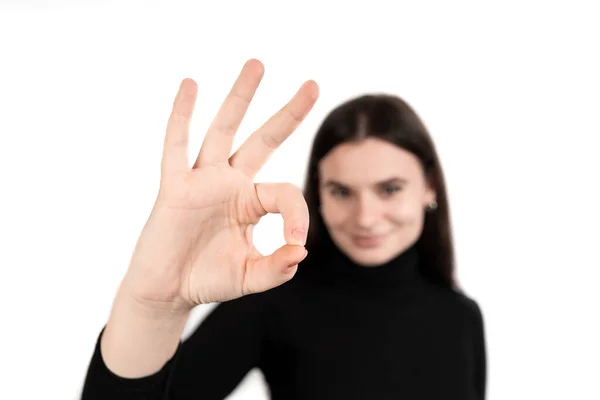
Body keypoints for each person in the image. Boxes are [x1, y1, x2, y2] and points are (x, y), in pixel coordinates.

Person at [81, 58, 486, 400]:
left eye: (390, 189)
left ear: (429, 186)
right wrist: (150, 309)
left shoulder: (461, 319)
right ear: (319, 194)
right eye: (341, 191)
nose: (365, 217)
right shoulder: (273, 299)